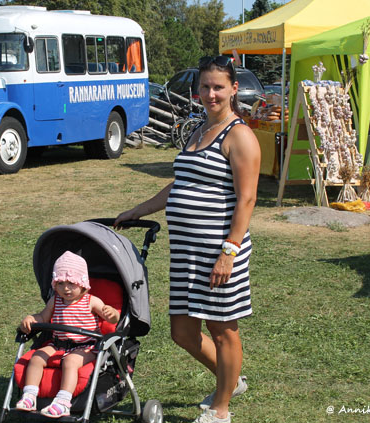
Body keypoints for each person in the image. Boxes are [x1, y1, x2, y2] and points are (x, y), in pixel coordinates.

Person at [114, 55, 260, 423]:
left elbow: (247, 199)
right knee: (182, 331)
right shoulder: (199, 129)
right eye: (205, 87)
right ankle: (230, 382)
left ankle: (221, 409)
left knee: (222, 329)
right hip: (186, 253)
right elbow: (181, 183)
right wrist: (139, 210)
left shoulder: (239, 135)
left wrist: (229, 252)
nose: (211, 94)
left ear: (233, 89)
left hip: (218, 251)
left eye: (218, 87)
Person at [15, 251, 120, 418]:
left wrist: (112, 313)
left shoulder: (91, 301)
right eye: (60, 283)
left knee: (70, 362)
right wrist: (31, 319)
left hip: (86, 346)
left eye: (71, 283)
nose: (65, 288)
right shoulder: (55, 300)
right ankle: (29, 396)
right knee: (37, 357)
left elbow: (112, 319)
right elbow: (43, 317)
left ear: (82, 283)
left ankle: (63, 402)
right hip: (58, 344)